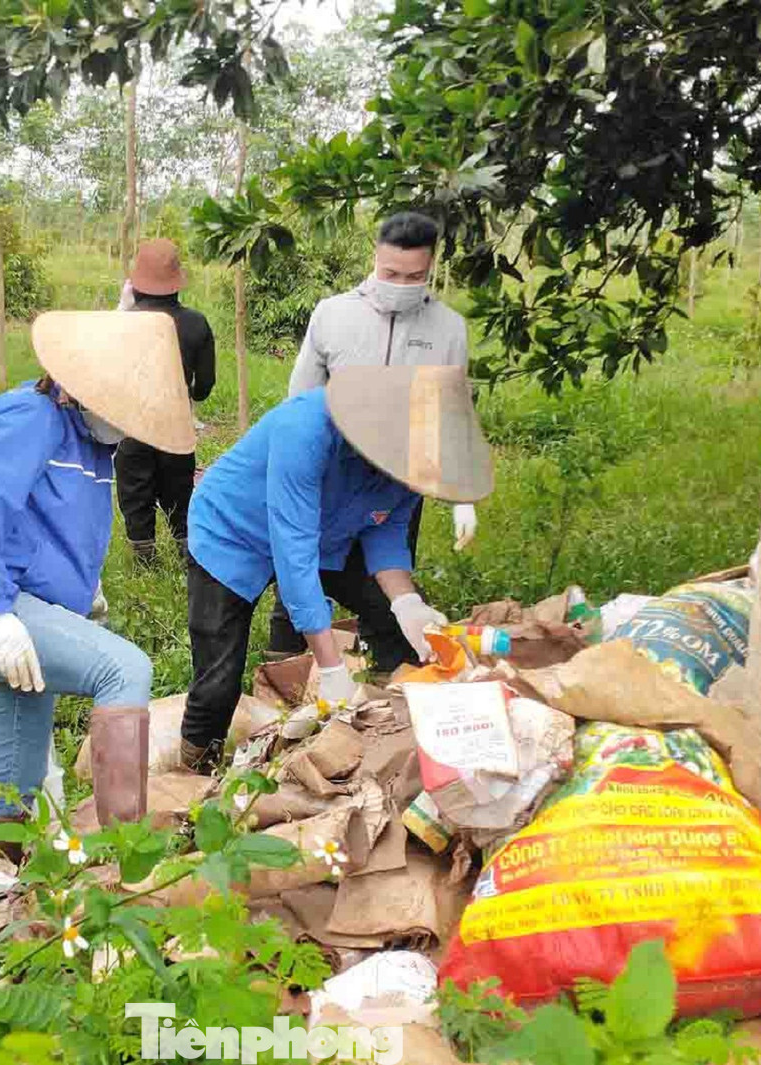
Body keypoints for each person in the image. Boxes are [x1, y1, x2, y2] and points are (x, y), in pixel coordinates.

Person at [0, 310, 197, 855]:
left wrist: (80, 591)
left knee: (13, 787)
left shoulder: (91, 443)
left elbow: (52, 523)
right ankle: (124, 860)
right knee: (126, 668)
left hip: (23, 609)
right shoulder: (32, 418)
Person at [181, 364, 494, 772]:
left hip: (330, 533)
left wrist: (406, 603)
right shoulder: (305, 429)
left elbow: (387, 530)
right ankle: (196, 768)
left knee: (392, 619)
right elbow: (295, 556)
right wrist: (331, 668)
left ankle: (392, 721)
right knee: (220, 674)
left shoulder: (416, 455)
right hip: (234, 532)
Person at [267, 211, 477, 670]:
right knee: (304, 564)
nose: (400, 284)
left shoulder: (448, 329)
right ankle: (283, 665)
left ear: (432, 268)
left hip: (399, 476)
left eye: (414, 277)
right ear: (375, 259)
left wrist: (461, 493)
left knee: (391, 576)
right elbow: (298, 399)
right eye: (390, 274)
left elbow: (452, 409)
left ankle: (389, 667)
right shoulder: (334, 315)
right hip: (331, 474)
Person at [114, 239, 216, 564]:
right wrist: (192, 395)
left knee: (135, 494)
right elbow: (205, 386)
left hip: (133, 428)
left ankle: (145, 561)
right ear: (176, 281)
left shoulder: (125, 325)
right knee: (180, 494)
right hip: (177, 428)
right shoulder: (196, 323)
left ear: (136, 283)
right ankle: (188, 558)